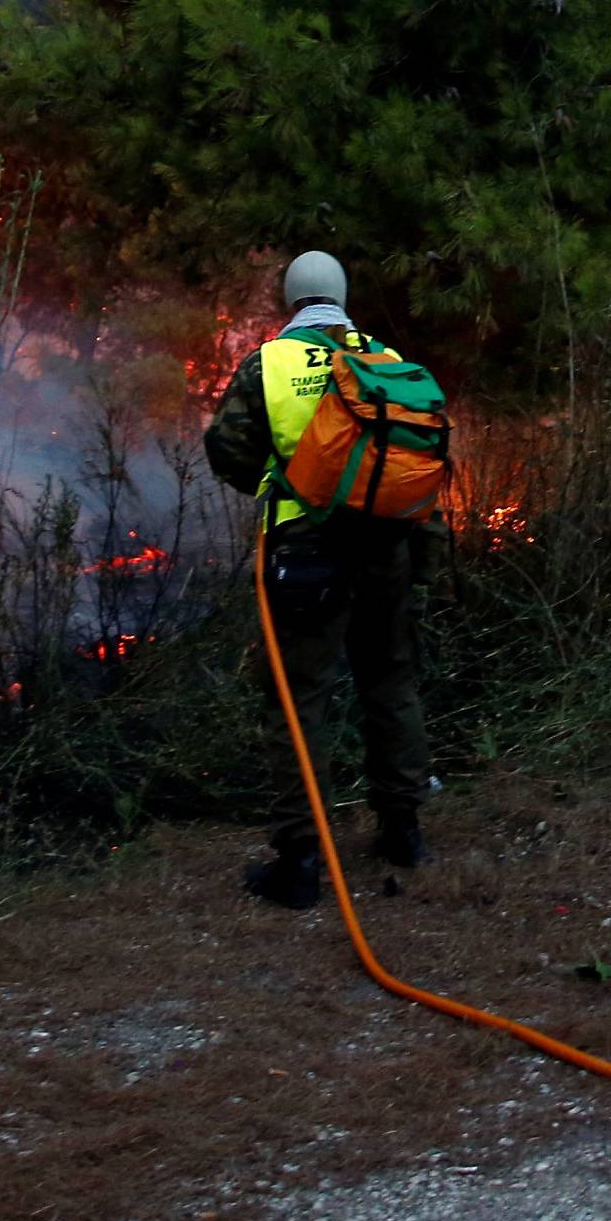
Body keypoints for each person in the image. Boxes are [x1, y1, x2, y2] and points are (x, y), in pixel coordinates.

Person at [203, 250, 434, 909]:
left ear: (291, 300)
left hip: (305, 552)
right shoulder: (385, 359)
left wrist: (282, 482)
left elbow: (227, 449)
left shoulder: (269, 364)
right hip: (387, 545)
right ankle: (404, 831)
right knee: (391, 681)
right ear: (342, 295)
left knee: (300, 697)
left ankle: (302, 859)